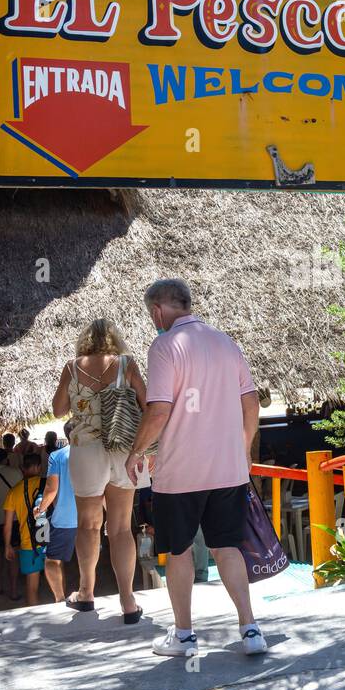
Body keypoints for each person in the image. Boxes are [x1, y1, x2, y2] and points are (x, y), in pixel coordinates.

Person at [126, 278, 266, 657]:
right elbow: (251, 401)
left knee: (179, 552)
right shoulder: (226, 342)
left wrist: (136, 451)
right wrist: (243, 447)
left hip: (180, 472)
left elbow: (158, 410)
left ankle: (185, 636)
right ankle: (250, 629)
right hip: (228, 469)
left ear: (157, 311)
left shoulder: (164, 346)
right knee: (227, 548)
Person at [51, 318, 148, 624]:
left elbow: (57, 409)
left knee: (89, 526)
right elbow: (148, 404)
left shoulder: (72, 367)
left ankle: (86, 593)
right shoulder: (126, 364)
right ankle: (128, 601)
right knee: (120, 528)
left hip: (86, 448)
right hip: (123, 448)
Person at [33, 422, 78, 603]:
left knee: (52, 560)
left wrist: (40, 509)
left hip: (65, 519)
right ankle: (87, 593)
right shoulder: (94, 453)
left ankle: (60, 599)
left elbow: (51, 489)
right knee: (88, 558)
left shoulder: (57, 456)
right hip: (90, 516)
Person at [2, 452, 48, 606]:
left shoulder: (14, 492)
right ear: (39, 467)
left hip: (29, 544)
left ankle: (35, 618)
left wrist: (8, 545)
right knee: (58, 579)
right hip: (50, 539)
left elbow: (8, 524)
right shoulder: (49, 485)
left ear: (23, 468)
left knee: (32, 588)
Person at [0, 446, 23, 601]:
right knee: (13, 554)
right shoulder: (16, 473)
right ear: (7, 459)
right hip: (14, 519)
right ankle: (13, 590)